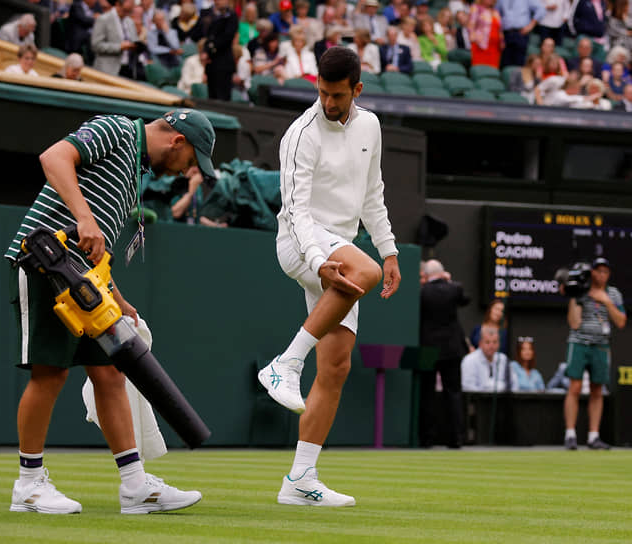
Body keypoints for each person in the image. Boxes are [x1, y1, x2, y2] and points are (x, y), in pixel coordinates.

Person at [3, 107, 217, 514]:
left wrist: (116, 297)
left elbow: (95, 244)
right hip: (44, 262)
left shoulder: (134, 172)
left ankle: (135, 486)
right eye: (189, 160)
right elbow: (54, 158)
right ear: (177, 141)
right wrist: (83, 218)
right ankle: (28, 485)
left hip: (85, 280)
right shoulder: (116, 129)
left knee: (111, 372)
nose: (182, 170)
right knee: (51, 374)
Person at [257, 46, 401, 507]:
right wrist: (319, 260)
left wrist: (390, 249)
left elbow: (372, 195)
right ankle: (285, 363)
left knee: (336, 365)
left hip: (341, 243)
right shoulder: (300, 133)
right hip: (300, 243)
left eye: (337, 95)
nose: (328, 102)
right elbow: (295, 211)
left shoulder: (370, 126)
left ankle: (300, 479)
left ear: (357, 89)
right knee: (365, 270)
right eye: (322, 92)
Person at [563, 257, 626, 450]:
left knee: (597, 390)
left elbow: (621, 322)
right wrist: (576, 296)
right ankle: (570, 434)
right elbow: (574, 323)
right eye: (597, 271)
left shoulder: (614, 294)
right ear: (592, 273)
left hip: (601, 345)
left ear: (609, 274)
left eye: (605, 271)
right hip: (580, 343)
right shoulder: (581, 289)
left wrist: (606, 302)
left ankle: (593, 436)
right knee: (574, 387)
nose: (601, 275)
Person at [418, 259, 470, 449]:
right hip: (451, 348)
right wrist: (449, 282)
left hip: (428, 347)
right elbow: (466, 299)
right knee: (453, 393)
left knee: (427, 394)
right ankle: (456, 438)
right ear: (442, 273)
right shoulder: (454, 288)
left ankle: (426, 439)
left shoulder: (422, 292)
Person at [200, 0, 238, 100]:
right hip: (211, 63)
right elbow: (207, 36)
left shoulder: (231, 17)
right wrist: (205, 50)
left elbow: (226, 37)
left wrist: (209, 49)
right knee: (212, 96)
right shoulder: (210, 15)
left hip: (223, 63)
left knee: (222, 97)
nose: (218, 1)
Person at [91, 0, 140, 78]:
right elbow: (96, 45)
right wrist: (119, 47)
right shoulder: (103, 19)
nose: (133, 3)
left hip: (128, 70)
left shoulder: (130, 22)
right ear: (119, 3)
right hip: (107, 70)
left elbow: (134, 41)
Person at [461, 326, 516, 392]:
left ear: (499, 344)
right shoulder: (469, 360)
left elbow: (513, 384)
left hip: (502, 400)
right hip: (477, 400)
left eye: (495, 342)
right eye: (487, 342)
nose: (491, 346)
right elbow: (468, 387)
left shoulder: (503, 359)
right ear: (480, 343)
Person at [495, 0, 544, 67]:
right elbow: (496, 12)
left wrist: (531, 25)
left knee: (519, 63)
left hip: (520, 33)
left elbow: (541, 9)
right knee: (505, 63)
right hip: (505, 34)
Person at [468, 0, 504, 69]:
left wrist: (502, 41)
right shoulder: (476, 8)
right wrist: (474, 38)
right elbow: (470, 26)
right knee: (480, 69)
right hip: (480, 46)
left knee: (492, 70)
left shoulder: (495, 11)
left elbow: (500, 29)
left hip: (495, 48)